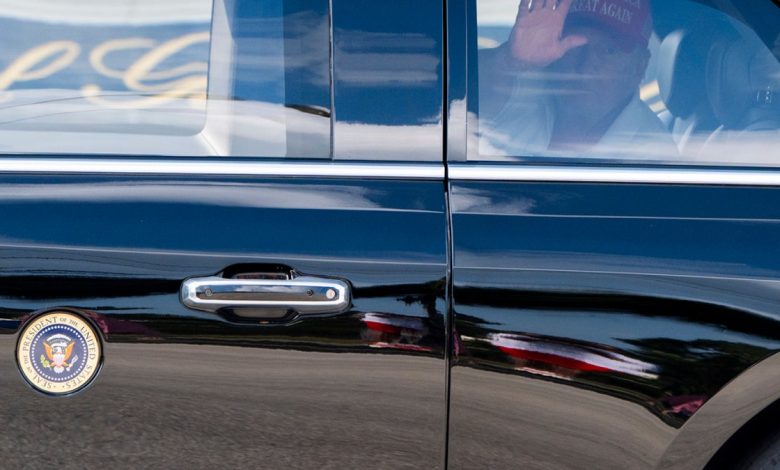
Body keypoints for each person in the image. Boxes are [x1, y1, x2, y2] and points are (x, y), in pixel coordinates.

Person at [479, 0, 677, 159]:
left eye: (608, 50)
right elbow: (453, 104)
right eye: (575, 44)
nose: (585, 66)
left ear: (639, 66)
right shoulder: (518, 86)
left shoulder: (654, 155)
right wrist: (509, 60)